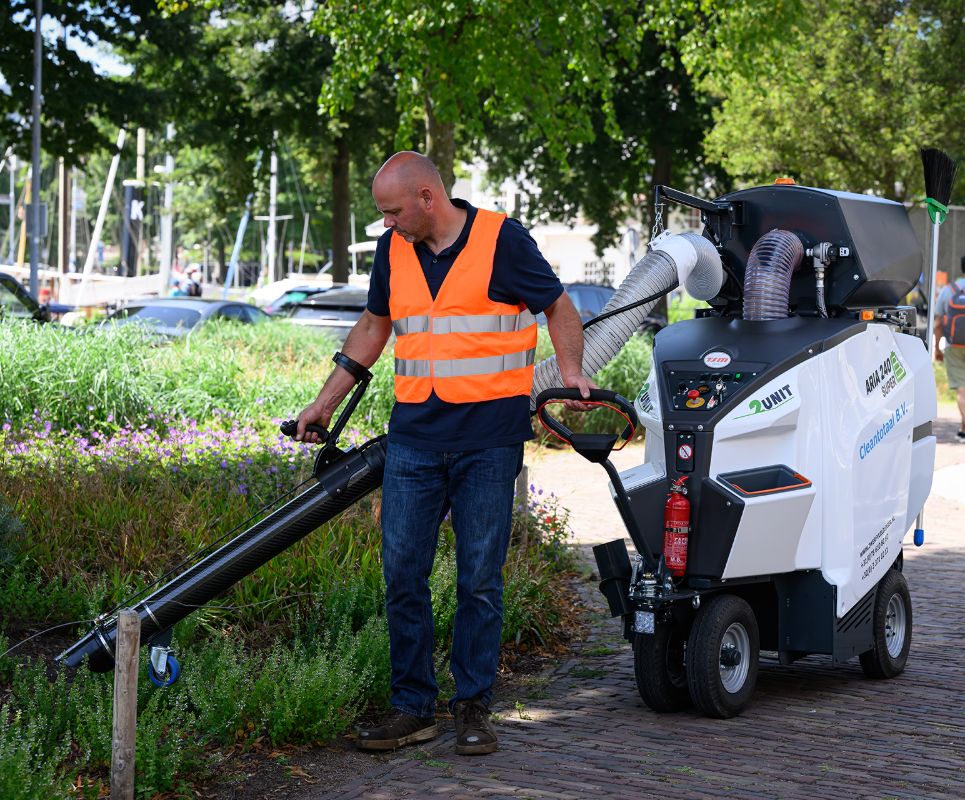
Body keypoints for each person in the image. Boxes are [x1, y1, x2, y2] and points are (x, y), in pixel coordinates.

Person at [295, 152, 593, 755]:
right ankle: (413, 708)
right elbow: (374, 327)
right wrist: (324, 400)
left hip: (488, 439)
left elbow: (557, 306)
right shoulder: (393, 252)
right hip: (415, 440)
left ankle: (474, 707)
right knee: (403, 574)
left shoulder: (503, 241)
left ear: (428, 197)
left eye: (392, 211)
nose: (386, 224)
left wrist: (571, 374)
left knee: (479, 579)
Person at [934, 273, 965, 442]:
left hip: (953, 346)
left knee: (962, 389)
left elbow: (938, 322)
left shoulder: (949, 290)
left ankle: (964, 429)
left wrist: (937, 348)